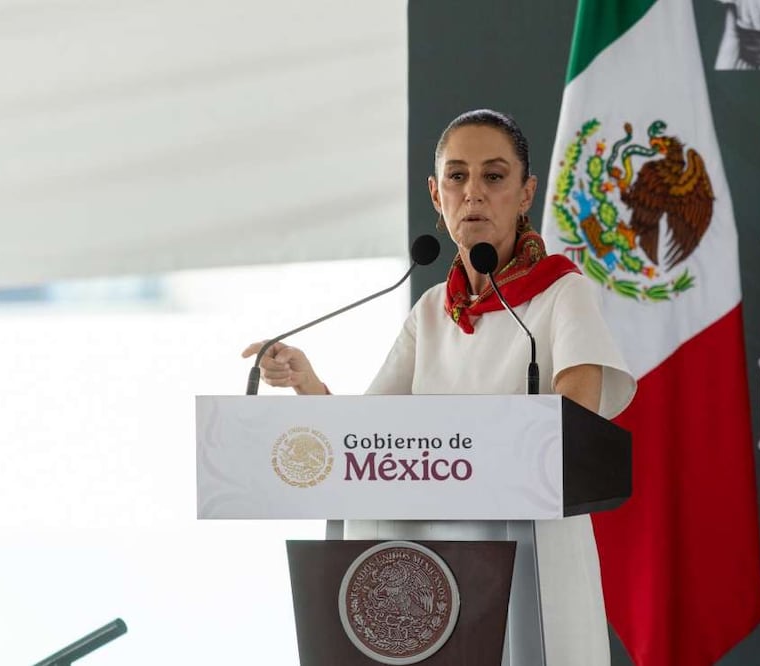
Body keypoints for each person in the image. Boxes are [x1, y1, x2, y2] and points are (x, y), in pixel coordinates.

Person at [242, 109, 636, 665]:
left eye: (493, 176)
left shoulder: (560, 294)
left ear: (526, 193)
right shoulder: (432, 309)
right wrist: (308, 383)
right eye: (457, 176)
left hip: (532, 551)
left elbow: (577, 424)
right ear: (436, 193)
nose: (473, 192)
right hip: (437, 561)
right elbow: (365, 441)